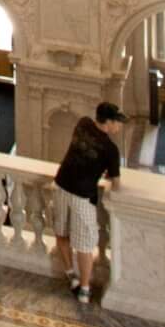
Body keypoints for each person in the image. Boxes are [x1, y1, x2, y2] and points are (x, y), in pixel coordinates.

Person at [52, 102, 125, 302]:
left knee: (61, 232)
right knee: (85, 244)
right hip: (82, 196)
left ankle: (71, 275)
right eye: (118, 122)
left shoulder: (82, 124)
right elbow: (116, 184)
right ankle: (84, 289)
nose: (120, 126)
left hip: (61, 184)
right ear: (108, 122)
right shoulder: (110, 150)